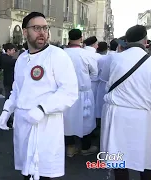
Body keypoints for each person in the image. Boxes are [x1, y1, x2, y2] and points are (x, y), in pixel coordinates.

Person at [0, 12, 78, 180]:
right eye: (36, 28)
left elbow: (69, 91)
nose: (42, 32)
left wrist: (43, 108)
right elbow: (17, 89)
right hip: (23, 124)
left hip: (45, 126)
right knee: (27, 172)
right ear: (25, 32)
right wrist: (7, 110)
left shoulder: (57, 56)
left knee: (43, 173)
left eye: (44, 28)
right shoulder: (21, 59)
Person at [101, 25, 151, 180]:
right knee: (146, 159)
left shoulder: (114, 58)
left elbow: (104, 79)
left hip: (117, 115)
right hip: (144, 116)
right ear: (145, 41)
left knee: (119, 159)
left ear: (127, 40)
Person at [63, 29, 98, 157]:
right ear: (81, 38)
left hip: (66, 93)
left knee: (67, 120)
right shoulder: (86, 54)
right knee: (86, 120)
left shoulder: (61, 53)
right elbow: (94, 73)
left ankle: (70, 147)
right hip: (83, 92)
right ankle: (85, 147)